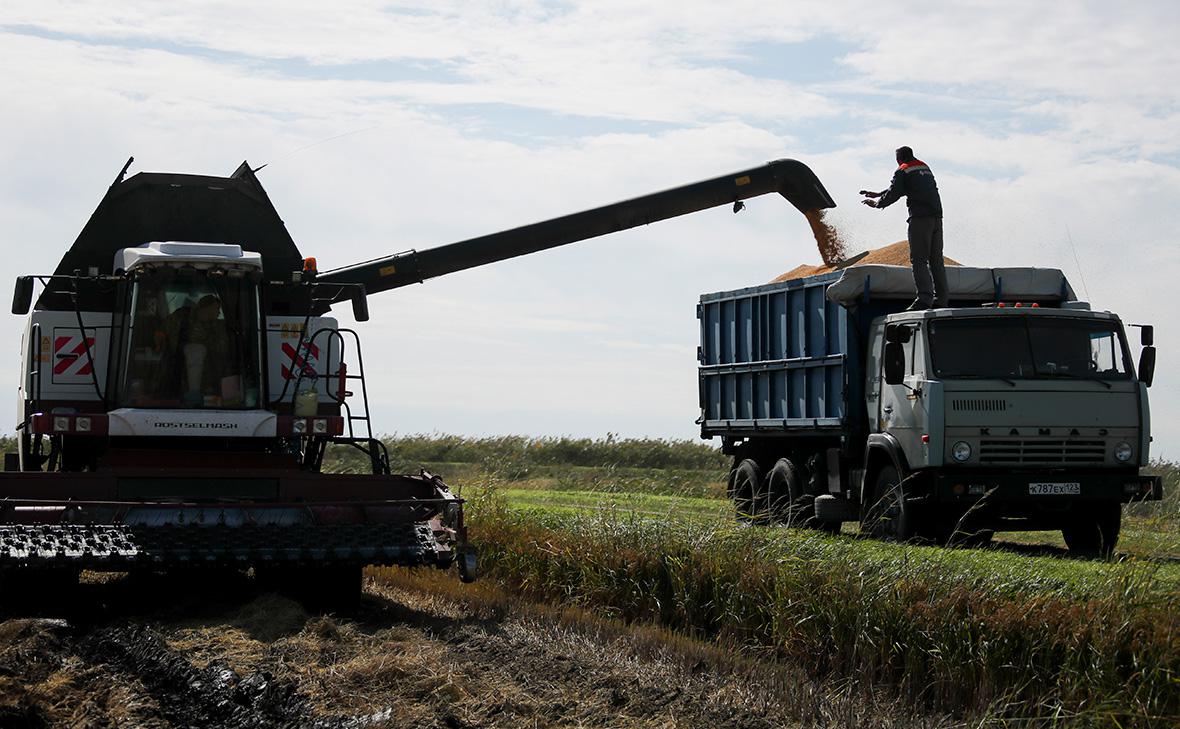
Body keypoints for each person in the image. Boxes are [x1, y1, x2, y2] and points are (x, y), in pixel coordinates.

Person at [860, 147, 947, 310]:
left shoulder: (902, 170)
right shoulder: (923, 167)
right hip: (937, 217)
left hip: (920, 218)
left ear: (899, 159)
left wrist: (878, 204)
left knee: (919, 259)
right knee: (936, 261)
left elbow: (895, 193)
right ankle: (941, 299)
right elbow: (906, 187)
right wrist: (879, 193)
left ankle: (924, 300)